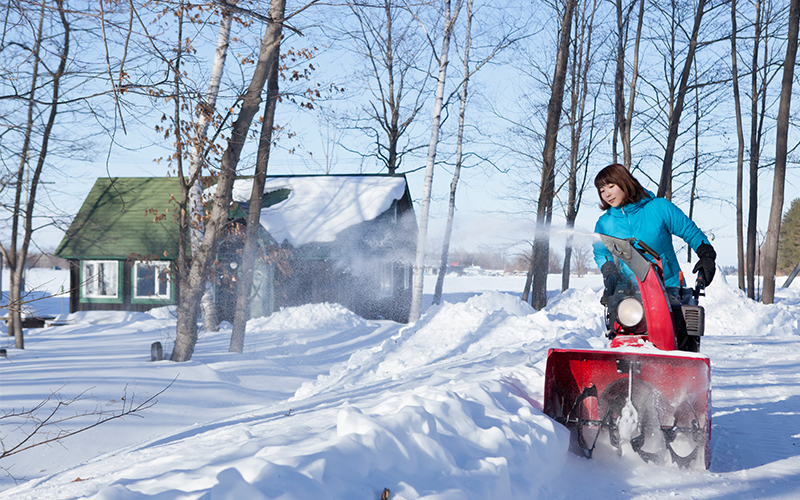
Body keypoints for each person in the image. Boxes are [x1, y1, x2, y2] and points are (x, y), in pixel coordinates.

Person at [592, 163, 717, 302]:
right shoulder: (604, 223)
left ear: (625, 182)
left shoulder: (659, 207)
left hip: (670, 289)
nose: (607, 194)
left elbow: (691, 233)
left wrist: (706, 255)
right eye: (602, 190)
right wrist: (608, 269)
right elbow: (601, 253)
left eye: (611, 186)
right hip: (631, 294)